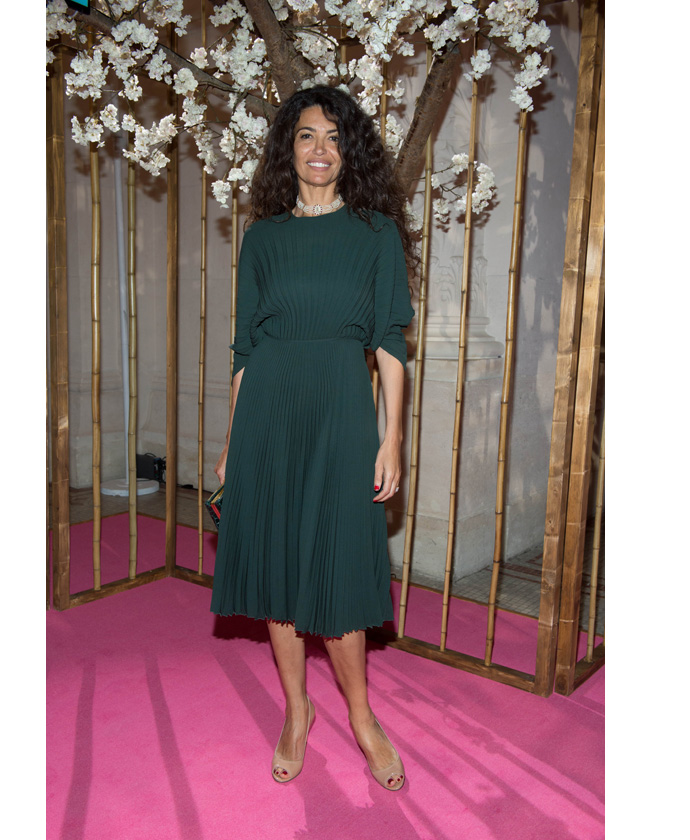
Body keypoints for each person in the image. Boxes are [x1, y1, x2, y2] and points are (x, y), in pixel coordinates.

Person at [209, 85, 417, 791]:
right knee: (278, 567)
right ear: (288, 149)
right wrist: (232, 445)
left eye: (332, 136)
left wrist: (392, 438)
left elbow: (389, 343)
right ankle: (297, 712)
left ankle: (361, 716)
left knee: (339, 565)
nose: (320, 148)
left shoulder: (374, 233)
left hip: (341, 412)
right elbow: (246, 351)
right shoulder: (264, 239)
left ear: (348, 149)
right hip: (268, 412)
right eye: (306, 135)